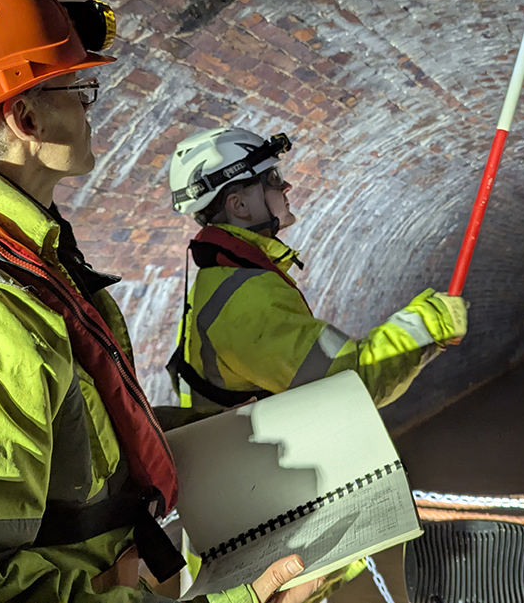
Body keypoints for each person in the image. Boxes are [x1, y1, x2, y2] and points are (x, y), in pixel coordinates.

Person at [0, 0, 319, 603]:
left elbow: (56, 432)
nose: (90, 111)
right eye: (78, 90)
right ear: (24, 119)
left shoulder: (1, 247)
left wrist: (202, 434)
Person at [167, 127, 468, 597]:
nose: (284, 187)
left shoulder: (232, 281)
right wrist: (426, 324)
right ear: (239, 205)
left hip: (254, 512)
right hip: (258, 540)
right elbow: (349, 385)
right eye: (270, 179)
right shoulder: (244, 300)